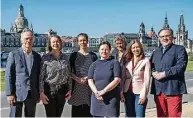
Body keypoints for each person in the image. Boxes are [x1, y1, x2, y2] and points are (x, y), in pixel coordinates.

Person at [150, 28, 188, 117]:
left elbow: (181, 66)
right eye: (162, 36)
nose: (164, 38)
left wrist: (164, 74)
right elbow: (150, 66)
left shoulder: (179, 49)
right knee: (161, 115)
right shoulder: (156, 52)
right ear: (159, 38)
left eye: (167, 36)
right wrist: (152, 72)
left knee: (174, 115)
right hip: (158, 90)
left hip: (173, 89)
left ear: (172, 37)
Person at [5, 28, 41, 117]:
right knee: (15, 115)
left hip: (32, 93)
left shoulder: (37, 57)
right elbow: (9, 75)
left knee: (30, 116)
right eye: (26, 38)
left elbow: (38, 76)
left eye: (31, 38)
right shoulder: (14, 54)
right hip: (17, 92)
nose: (28, 40)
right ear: (21, 40)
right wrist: (10, 93)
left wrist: (39, 93)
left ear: (33, 40)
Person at [39, 34, 72, 117]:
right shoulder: (45, 58)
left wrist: (70, 89)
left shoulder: (65, 57)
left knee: (58, 115)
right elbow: (41, 77)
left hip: (62, 90)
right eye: (53, 42)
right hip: (49, 91)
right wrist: (41, 93)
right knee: (51, 115)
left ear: (60, 43)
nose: (55, 43)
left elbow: (69, 75)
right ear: (50, 44)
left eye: (57, 41)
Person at [88, 41, 121, 117]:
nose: (104, 51)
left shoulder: (114, 63)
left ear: (110, 51)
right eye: (102, 49)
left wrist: (104, 91)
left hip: (111, 98)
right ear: (99, 50)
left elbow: (117, 79)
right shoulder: (94, 64)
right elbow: (90, 80)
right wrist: (96, 92)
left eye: (106, 49)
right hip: (97, 97)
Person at [68, 33, 97, 117]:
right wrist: (77, 79)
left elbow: (96, 71)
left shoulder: (93, 56)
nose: (82, 42)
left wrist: (87, 78)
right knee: (76, 112)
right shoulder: (74, 56)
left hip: (89, 87)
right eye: (80, 40)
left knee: (89, 112)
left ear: (87, 41)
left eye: (84, 40)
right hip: (76, 88)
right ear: (78, 42)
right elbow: (69, 71)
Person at [120, 39, 151, 117]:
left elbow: (147, 80)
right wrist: (121, 93)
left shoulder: (145, 61)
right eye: (133, 48)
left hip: (139, 93)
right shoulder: (127, 61)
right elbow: (123, 78)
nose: (135, 49)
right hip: (127, 92)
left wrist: (143, 96)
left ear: (141, 48)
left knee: (140, 115)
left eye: (137, 47)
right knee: (129, 115)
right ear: (130, 49)